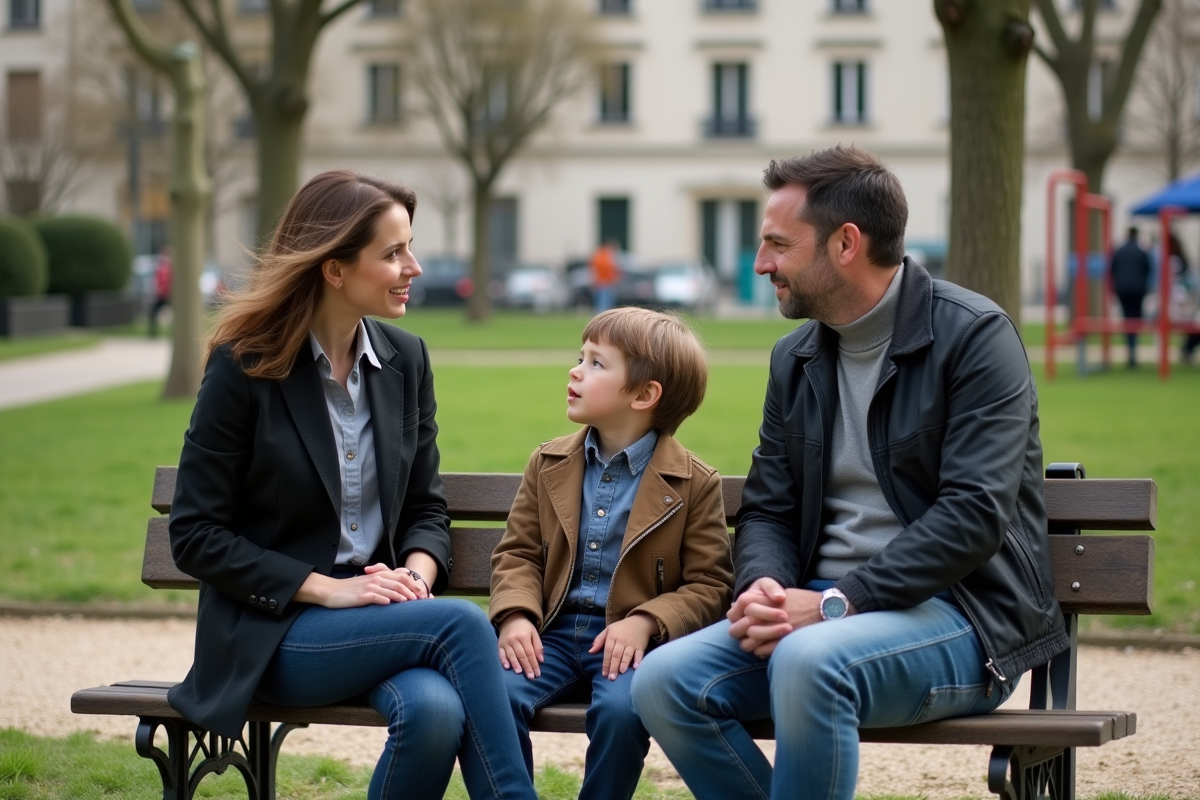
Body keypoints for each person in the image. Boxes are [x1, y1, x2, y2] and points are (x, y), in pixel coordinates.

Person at [630, 146, 1069, 800]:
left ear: (846, 243)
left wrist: (838, 603)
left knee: (810, 662)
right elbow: (769, 509)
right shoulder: (796, 359)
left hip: (965, 620)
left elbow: (974, 515)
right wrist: (764, 590)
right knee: (663, 683)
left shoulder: (975, 337)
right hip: (816, 612)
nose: (760, 264)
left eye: (778, 244)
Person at [167, 170, 538, 800]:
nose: (413, 268)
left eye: (410, 248)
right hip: (275, 634)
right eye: (393, 253)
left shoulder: (406, 360)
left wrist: (416, 577)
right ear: (334, 269)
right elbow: (195, 535)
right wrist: (329, 591)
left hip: (382, 622)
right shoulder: (245, 364)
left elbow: (425, 507)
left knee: (434, 713)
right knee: (464, 627)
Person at [490, 306, 734, 800]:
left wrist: (646, 621)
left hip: (628, 647)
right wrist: (516, 615)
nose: (576, 371)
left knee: (623, 711)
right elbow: (517, 554)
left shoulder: (694, 483)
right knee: (493, 694)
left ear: (644, 395)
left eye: (597, 364)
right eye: (580, 357)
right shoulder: (549, 461)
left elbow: (711, 585)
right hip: (550, 637)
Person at [1109, 226, 1151, 369]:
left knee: (1127, 320)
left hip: (1122, 290)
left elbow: (1112, 270)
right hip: (1138, 290)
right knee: (1135, 321)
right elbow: (1147, 270)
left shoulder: (1119, 252)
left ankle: (1130, 352)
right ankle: (1133, 353)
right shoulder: (1141, 252)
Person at [590, 239, 621, 313]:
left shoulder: (599, 255)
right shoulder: (606, 256)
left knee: (604, 305)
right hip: (605, 283)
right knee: (604, 306)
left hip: (602, 283)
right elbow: (609, 268)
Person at [149, 245, 172, 339]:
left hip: (168, 294)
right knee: (153, 313)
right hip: (162, 294)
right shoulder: (161, 267)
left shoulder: (169, 267)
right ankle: (153, 332)